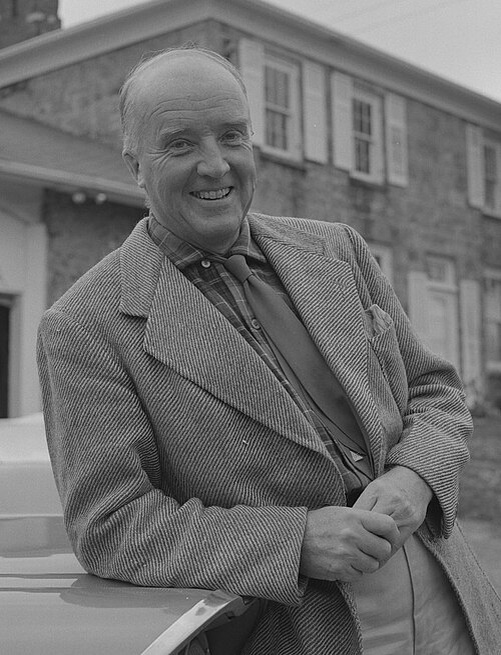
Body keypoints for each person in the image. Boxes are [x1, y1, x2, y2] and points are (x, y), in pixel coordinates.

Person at [37, 47, 501, 655]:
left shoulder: (337, 251)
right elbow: (111, 526)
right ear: (134, 164)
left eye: (232, 135)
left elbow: (434, 390)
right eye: (180, 144)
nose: (215, 165)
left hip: (458, 613)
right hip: (303, 632)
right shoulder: (84, 326)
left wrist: (416, 476)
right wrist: (295, 542)